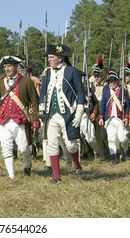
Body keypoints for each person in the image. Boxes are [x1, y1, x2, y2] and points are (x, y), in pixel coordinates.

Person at [38, 44, 86, 183]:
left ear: (60, 58)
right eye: (49, 57)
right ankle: (56, 176)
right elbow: (43, 91)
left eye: (51, 57)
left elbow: (80, 92)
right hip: (51, 114)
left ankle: (76, 165)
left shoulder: (72, 71)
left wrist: (79, 111)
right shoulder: (47, 73)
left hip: (68, 114)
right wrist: (42, 106)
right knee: (52, 144)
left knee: (71, 144)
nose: (49, 60)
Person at [0, 55, 40, 179]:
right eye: (5, 66)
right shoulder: (1, 83)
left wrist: (35, 119)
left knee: (23, 148)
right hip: (4, 120)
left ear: (16, 66)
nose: (7, 69)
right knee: (6, 148)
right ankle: (11, 175)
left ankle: (27, 164)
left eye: (9, 66)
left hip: (20, 120)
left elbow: (35, 102)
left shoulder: (26, 82)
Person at [98, 70, 130, 163]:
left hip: (120, 118)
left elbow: (128, 105)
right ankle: (113, 156)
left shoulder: (123, 91)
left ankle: (124, 152)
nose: (112, 83)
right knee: (111, 139)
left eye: (114, 80)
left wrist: (127, 117)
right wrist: (101, 117)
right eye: (111, 81)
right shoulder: (106, 91)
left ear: (118, 81)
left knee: (123, 138)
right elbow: (103, 105)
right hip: (109, 118)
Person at [89, 57, 109, 160]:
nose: (96, 78)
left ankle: (109, 152)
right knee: (97, 135)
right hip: (96, 112)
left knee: (104, 134)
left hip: (105, 112)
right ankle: (102, 155)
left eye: (98, 76)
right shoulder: (92, 87)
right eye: (95, 76)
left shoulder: (107, 86)